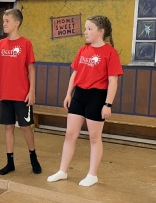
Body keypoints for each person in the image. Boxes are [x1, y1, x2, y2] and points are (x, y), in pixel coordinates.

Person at [47, 15, 123, 187]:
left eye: (89, 29)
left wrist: (108, 104)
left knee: (94, 138)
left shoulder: (110, 53)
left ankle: (92, 175)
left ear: (100, 31)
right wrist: (68, 94)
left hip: (97, 97)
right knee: (70, 134)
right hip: (79, 95)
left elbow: (113, 81)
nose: (85, 32)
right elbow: (75, 73)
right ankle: (62, 171)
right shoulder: (83, 49)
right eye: (85, 28)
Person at [0, 8, 41, 176]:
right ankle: (10, 162)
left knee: (26, 127)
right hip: (5, 94)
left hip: (22, 94)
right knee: (8, 127)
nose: (4, 24)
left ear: (16, 23)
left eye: (7, 21)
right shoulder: (0, 44)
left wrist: (31, 91)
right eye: (3, 21)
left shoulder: (26, 43)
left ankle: (33, 158)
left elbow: (31, 69)